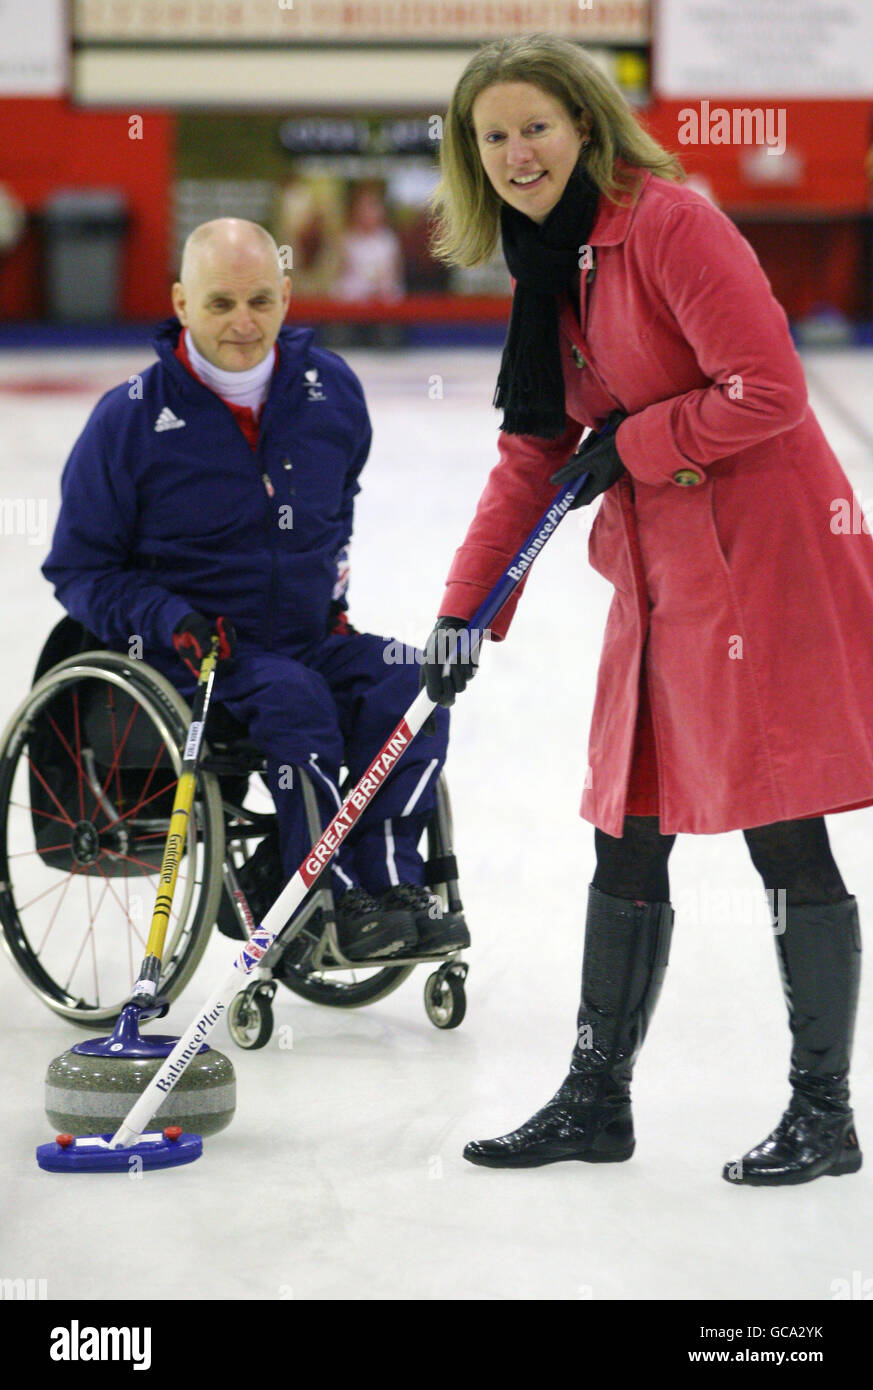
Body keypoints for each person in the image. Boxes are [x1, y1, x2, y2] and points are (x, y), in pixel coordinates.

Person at [421, 34, 871, 1185]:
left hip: (765, 554)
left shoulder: (668, 221)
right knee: (626, 823)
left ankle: (824, 1112)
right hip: (662, 567)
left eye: (536, 126)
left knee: (781, 823)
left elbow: (765, 388)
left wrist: (632, 443)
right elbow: (533, 456)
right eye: (494, 136)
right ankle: (594, 1098)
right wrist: (464, 611)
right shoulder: (545, 263)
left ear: (585, 126)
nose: (518, 152)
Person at [44, 218, 467, 962]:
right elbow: (79, 569)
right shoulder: (129, 419)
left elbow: (338, 510)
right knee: (293, 699)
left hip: (305, 637)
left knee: (411, 683)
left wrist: (329, 596)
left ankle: (391, 884)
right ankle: (321, 894)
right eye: (219, 304)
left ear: (287, 295)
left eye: (260, 301)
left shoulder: (330, 390)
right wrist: (168, 617)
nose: (243, 323)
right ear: (180, 302)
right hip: (196, 656)